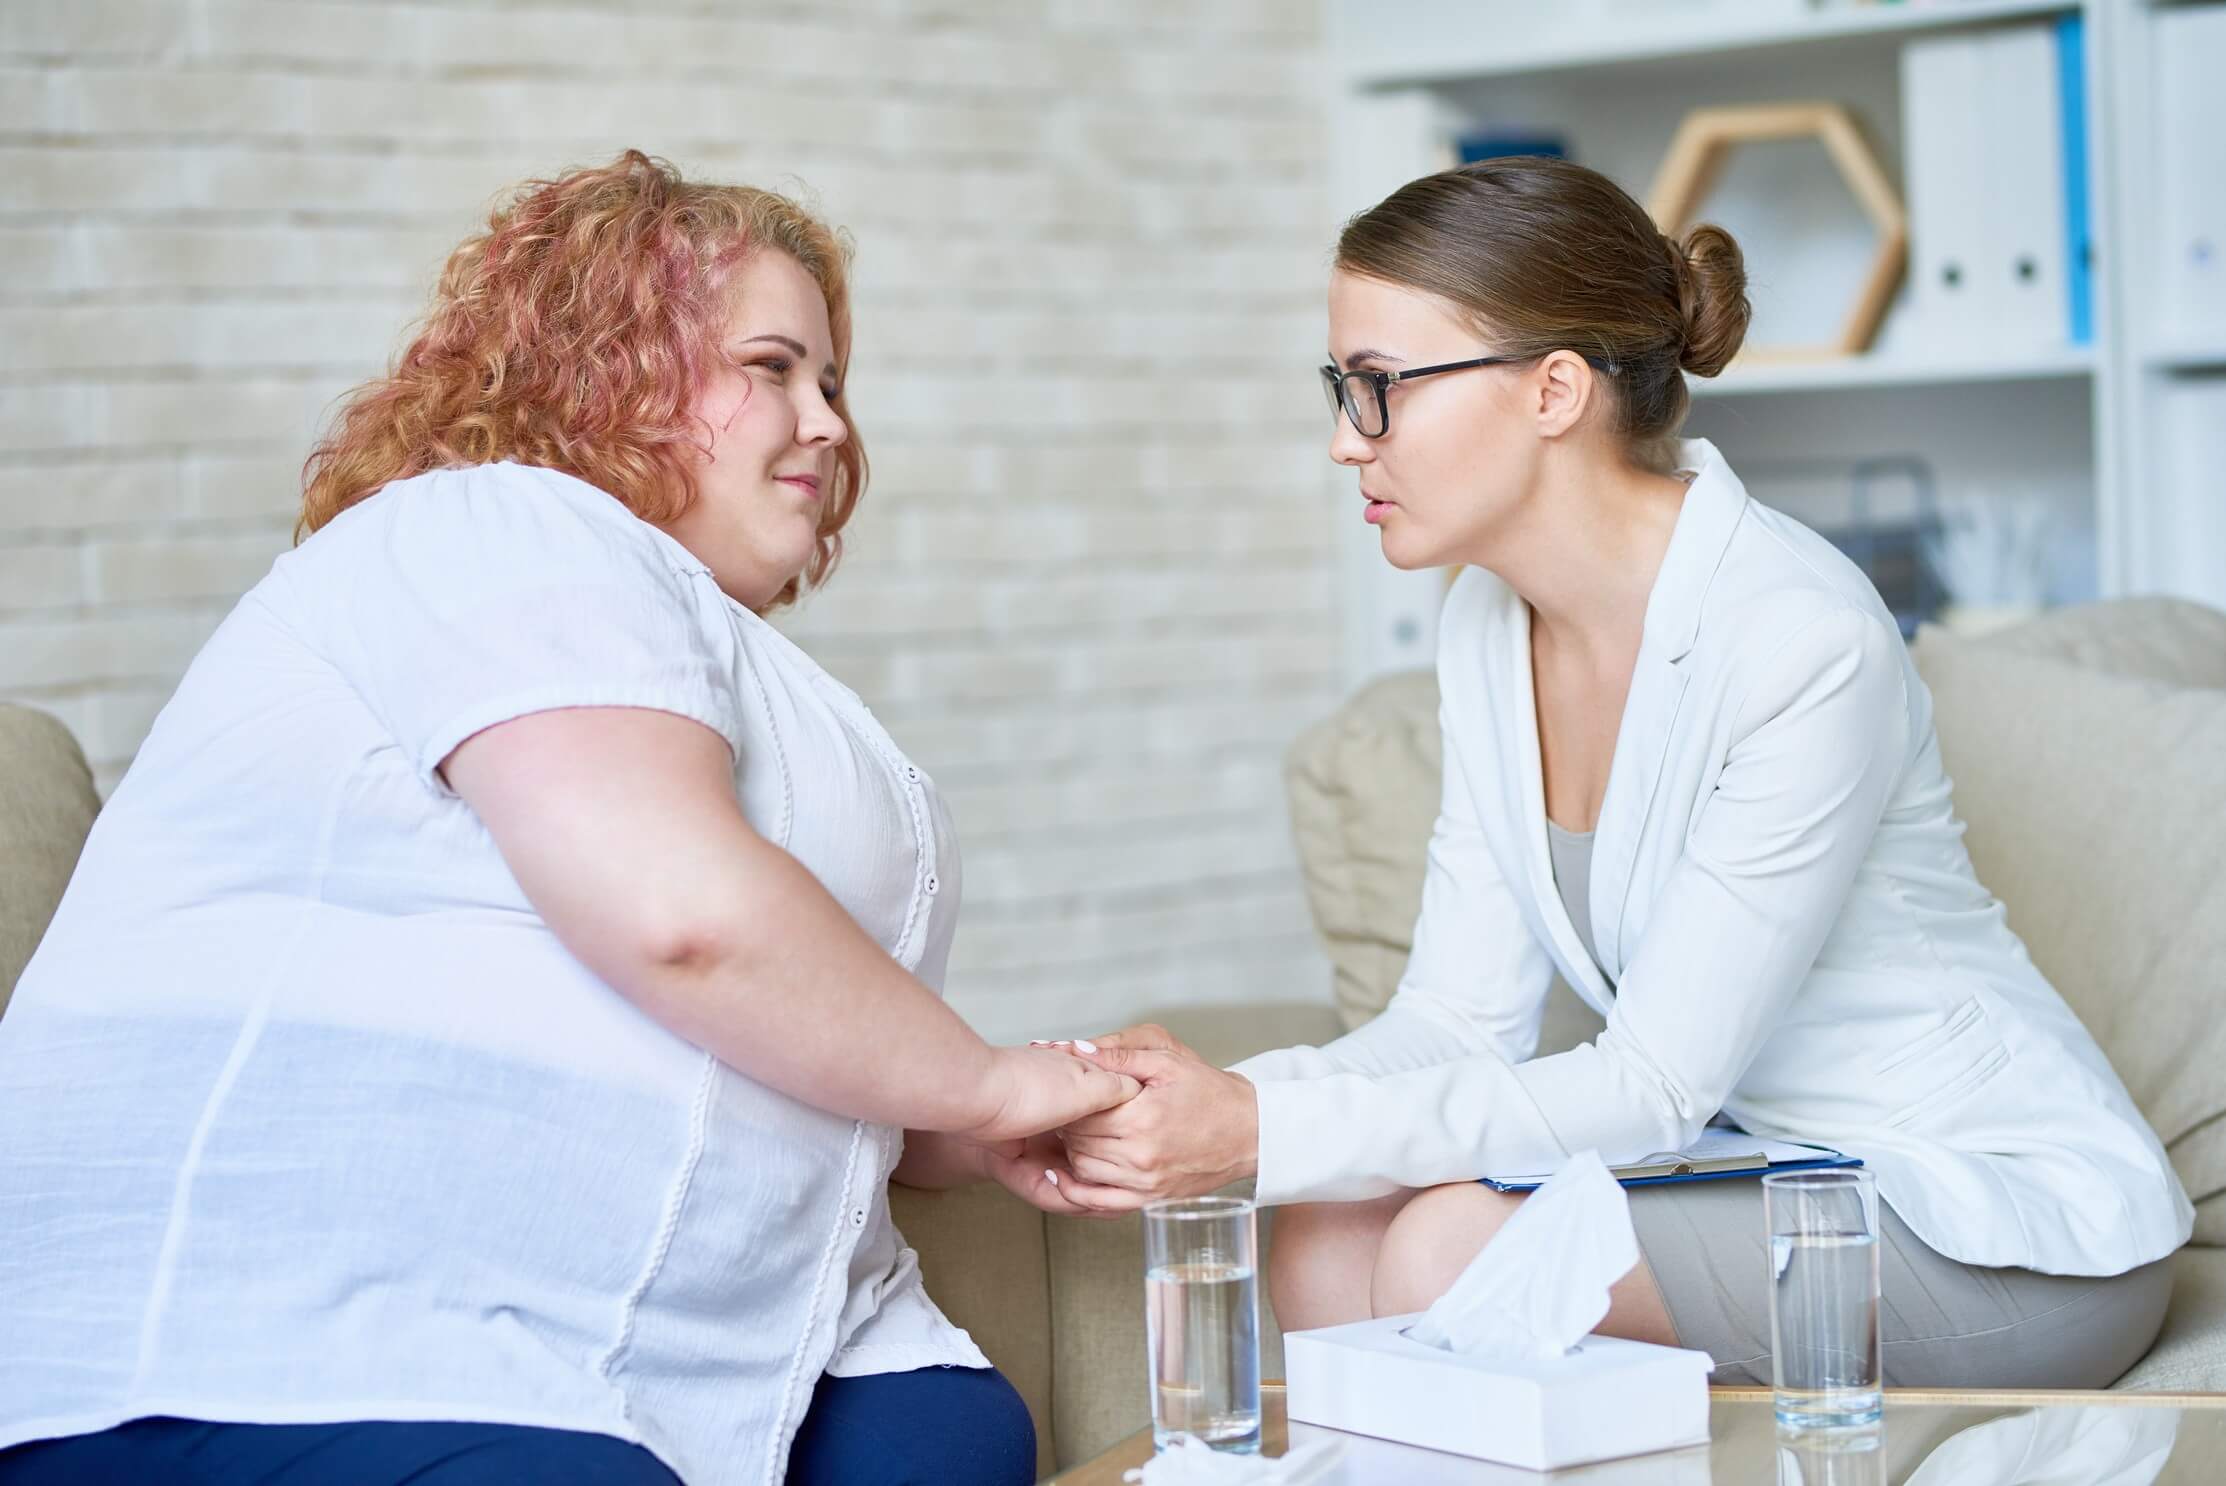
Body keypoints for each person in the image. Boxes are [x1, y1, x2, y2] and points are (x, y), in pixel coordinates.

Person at [0, 151, 1132, 1486]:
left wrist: (1005, 1118)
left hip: (739, 1345)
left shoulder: (730, 664)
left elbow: (770, 1049)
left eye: (831, 380)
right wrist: (992, 1080)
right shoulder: (493, 525)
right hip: (328, 1341)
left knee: (951, 1436)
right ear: (603, 368)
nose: (825, 423)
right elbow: (683, 919)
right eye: (771, 367)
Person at [1046, 157, 2191, 1389]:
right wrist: (1201, 1100)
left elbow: (1650, 1087)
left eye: (1379, 389)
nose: (1343, 441)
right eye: (1340, 389)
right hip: (1762, 1169)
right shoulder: (1488, 622)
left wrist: (1258, 1130)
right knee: (1329, 1222)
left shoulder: (1801, 636)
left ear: (1553, 390)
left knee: (1450, 1246)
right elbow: (1451, 1022)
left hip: (1992, 1222)